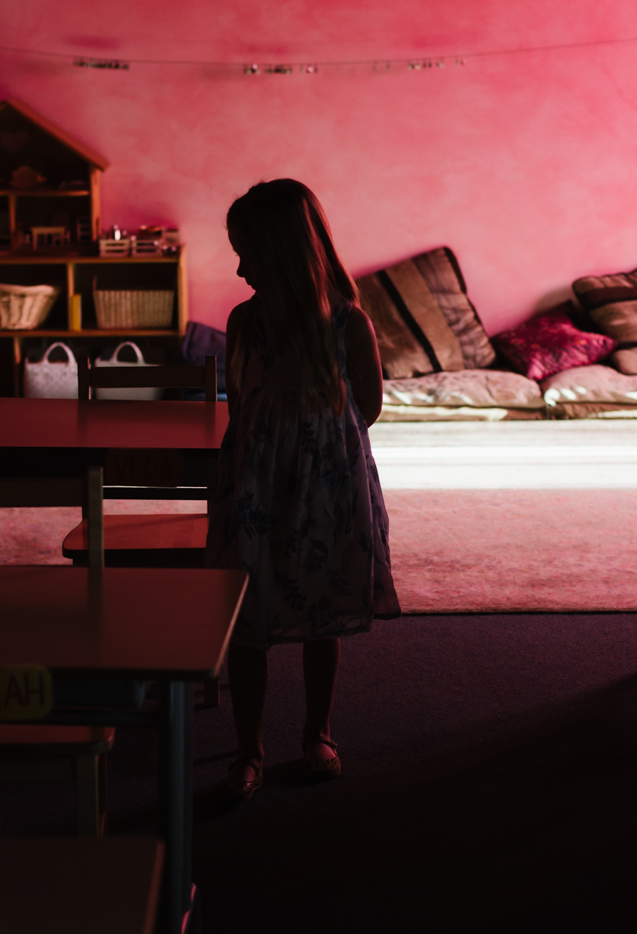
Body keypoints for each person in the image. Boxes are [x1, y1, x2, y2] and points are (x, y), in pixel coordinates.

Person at [207, 179, 400, 799]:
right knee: (247, 616)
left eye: (247, 253)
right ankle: (248, 749)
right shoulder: (244, 323)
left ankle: (318, 732)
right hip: (256, 489)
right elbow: (240, 404)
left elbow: (366, 410)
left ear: (285, 253)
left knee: (322, 611)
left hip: (327, 486)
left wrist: (312, 448)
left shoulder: (349, 325)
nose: (239, 269)